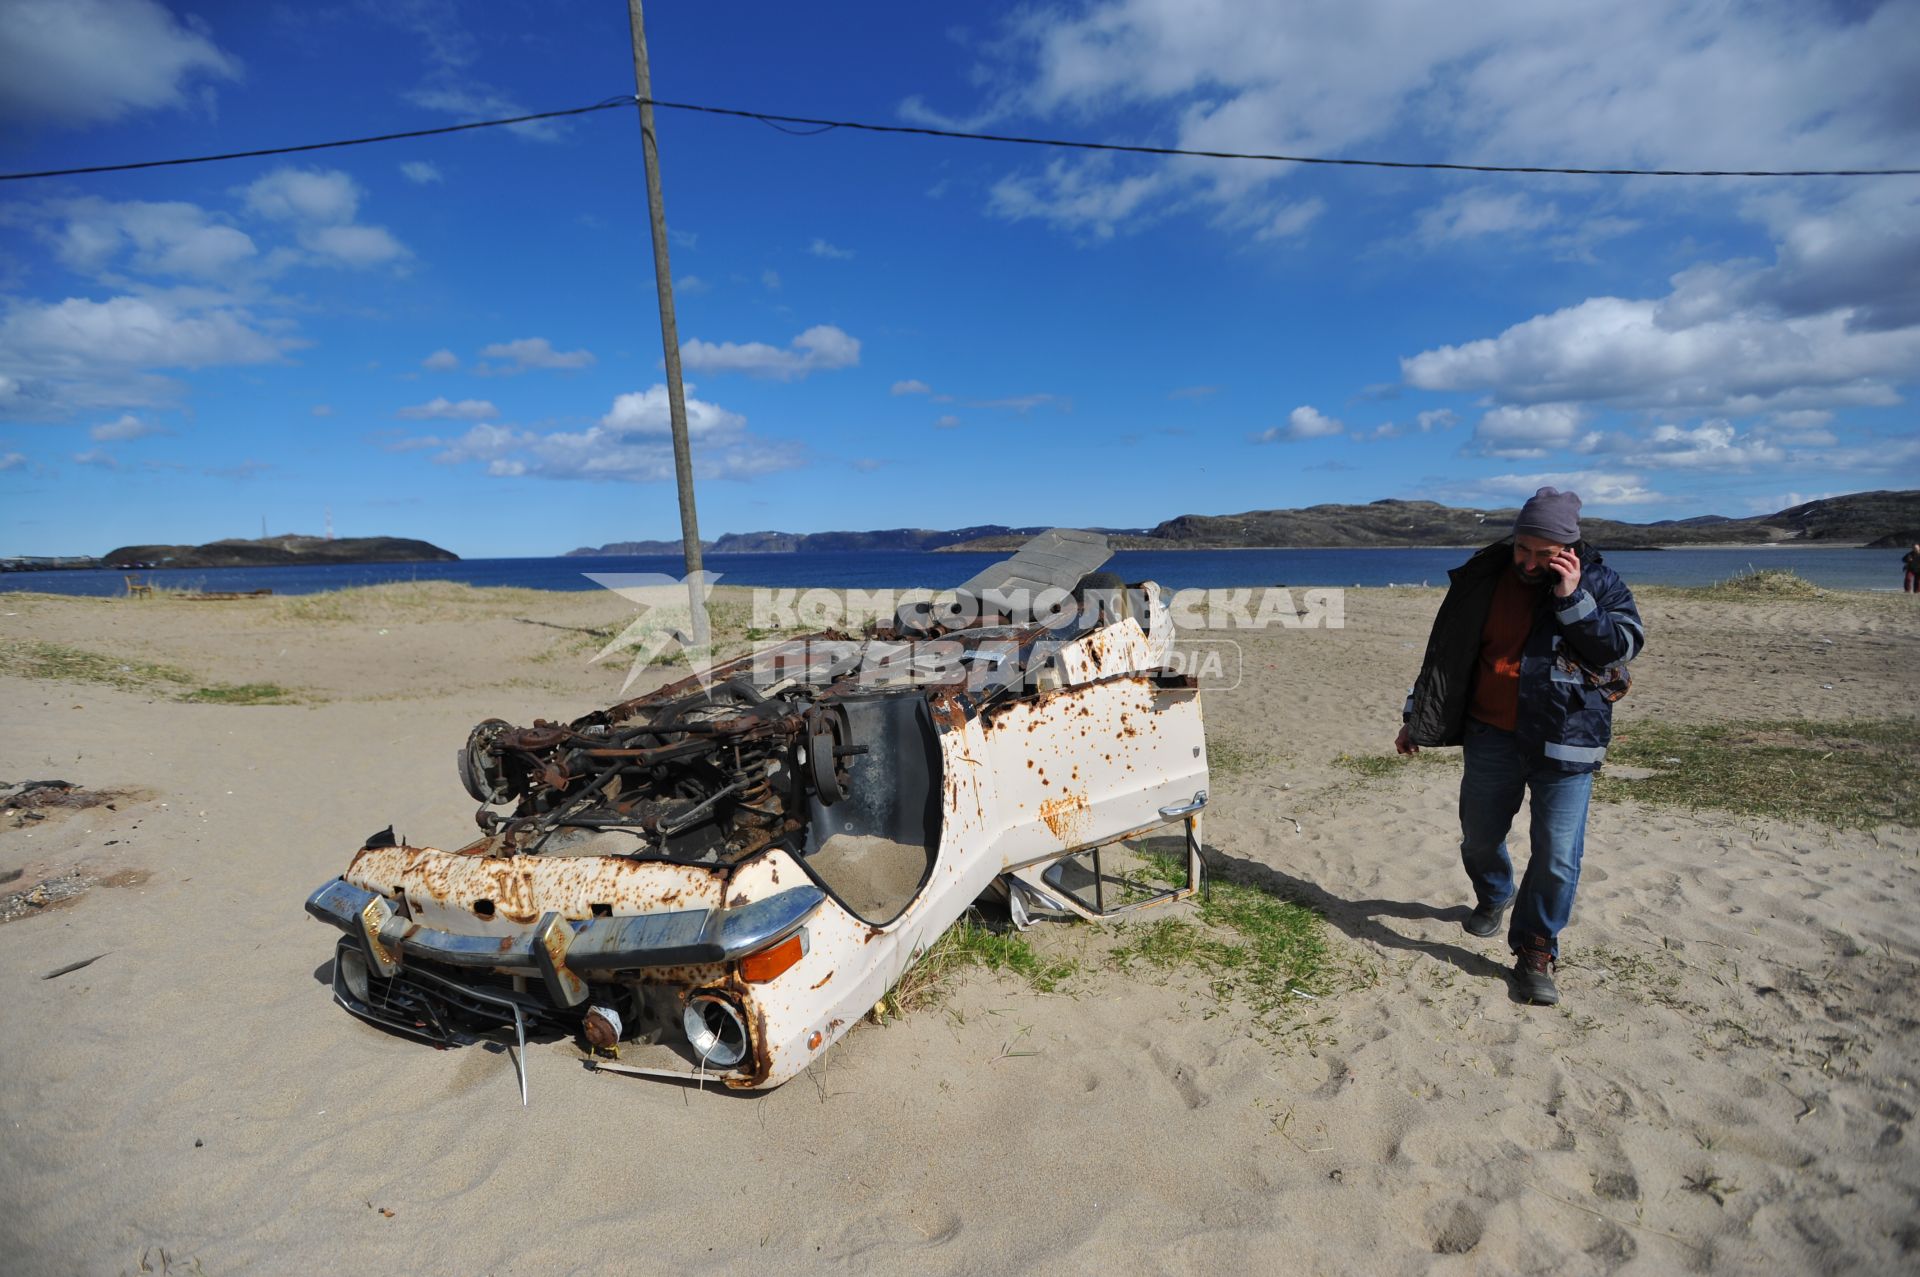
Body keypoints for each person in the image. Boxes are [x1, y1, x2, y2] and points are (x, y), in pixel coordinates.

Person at [1394, 487, 1645, 1005]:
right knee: (1479, 839)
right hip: (1491, 735)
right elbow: (1447, 653)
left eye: (1543, 554)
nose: (1530, 563)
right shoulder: (1483, 577)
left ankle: (1535, 949)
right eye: (1522, 549)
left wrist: (1573, 598)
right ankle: (1494, 893)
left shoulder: (1598, 581)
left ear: (1569, 547)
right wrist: (1416, 716)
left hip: (1567, 738)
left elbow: (1621, 645)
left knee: (1556, 856)